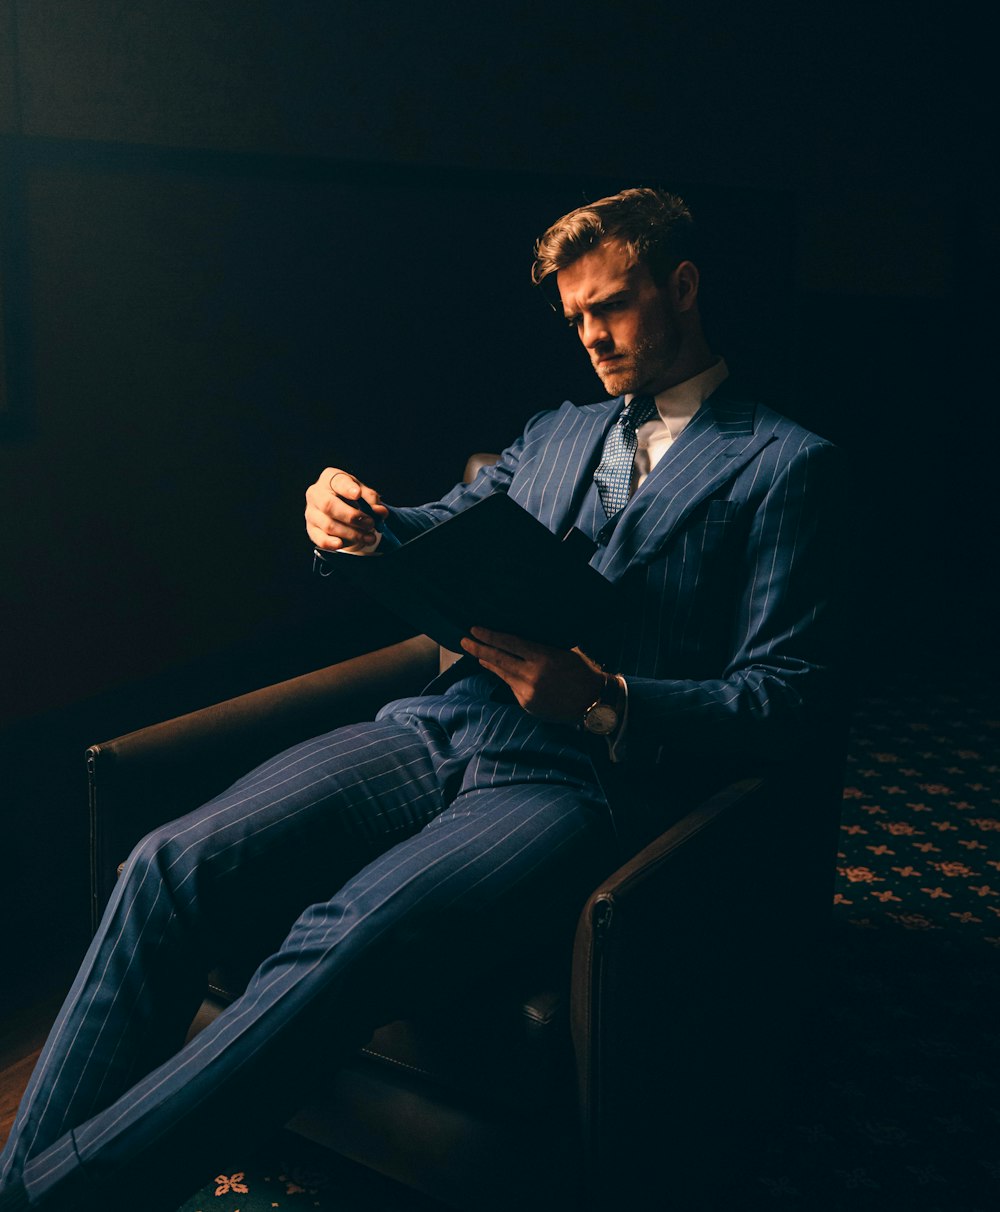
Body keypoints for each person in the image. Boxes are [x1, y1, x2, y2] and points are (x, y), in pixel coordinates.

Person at [0, 188, 842, 1212]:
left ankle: (51, 1198)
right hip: (437, 726)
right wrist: (348, 525)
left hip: (572, 779)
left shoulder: (784, 463)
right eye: (573, 317)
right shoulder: (555, 431)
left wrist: (607, 700)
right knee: (169, 862)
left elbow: (783, 697)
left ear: (683, 286)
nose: (591, 336)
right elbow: (436, 532)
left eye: (611, 306)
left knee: (348, 935)